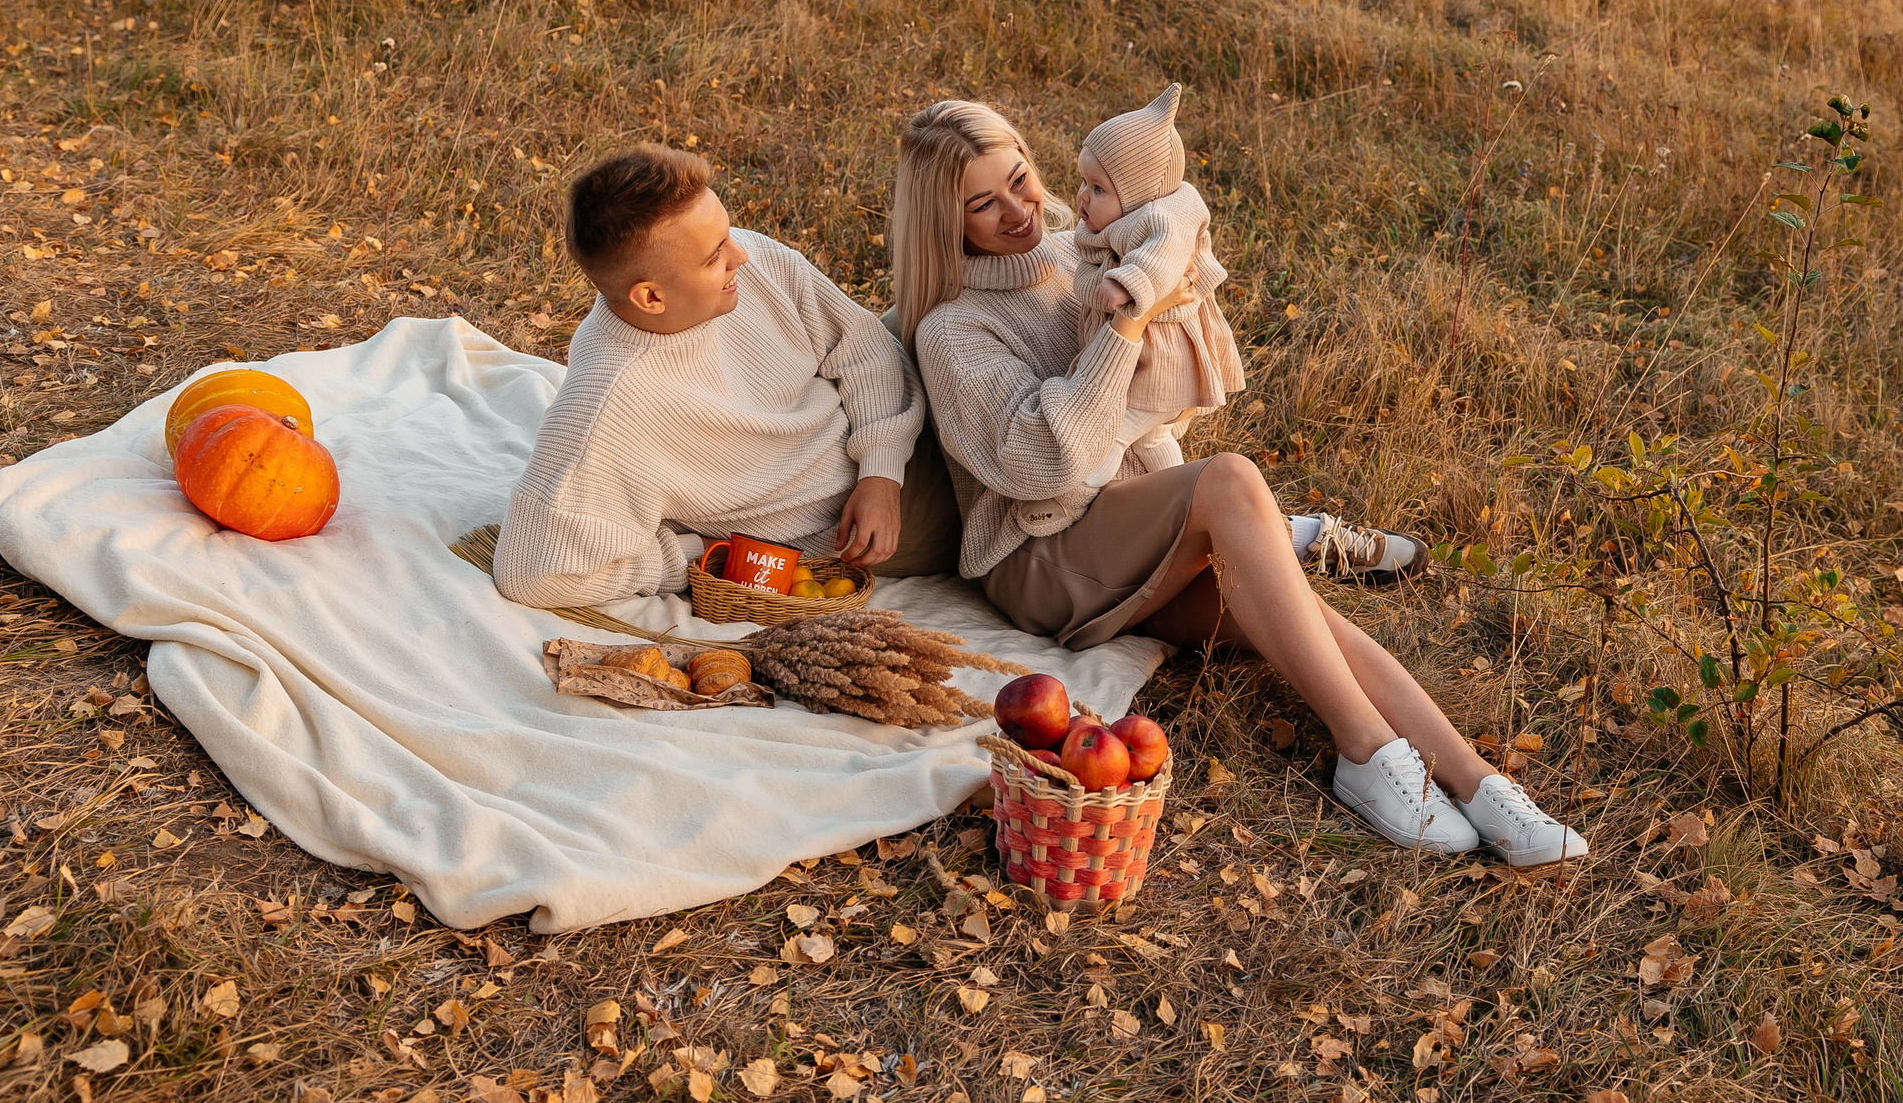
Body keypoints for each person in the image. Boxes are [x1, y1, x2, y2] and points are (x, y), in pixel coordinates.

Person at [894, 99, 1589, 866]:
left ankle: (1480, 782)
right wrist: (1126, 326)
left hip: (1117, 531)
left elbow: (1157, 398)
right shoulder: (953, 329)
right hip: (1038, 555)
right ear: (943, 221)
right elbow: (1043, 464)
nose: (1018, 210)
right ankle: (1364, 750)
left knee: (1306, 617)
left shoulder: (1076, 256)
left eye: (1020, 180)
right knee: (1229, 480)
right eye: (983, 204)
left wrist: (1166, 301)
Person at [493, 144, 938, 608]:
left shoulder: (738, 260)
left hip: (881, 452)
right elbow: (532, 574)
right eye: (715, 256)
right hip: (863, 522)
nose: (742, 255)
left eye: (727, 233)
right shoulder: (610, 406)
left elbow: (864, 345)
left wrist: (881, 473)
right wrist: (689, 554)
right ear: (650, 297)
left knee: (941, 307)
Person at [1068, 82, 1245, 487]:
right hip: (1143, 343)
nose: (1082, 196)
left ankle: (1088, 480)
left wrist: (1127, 284)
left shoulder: (1167, 217)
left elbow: (1163, 258)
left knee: (1122, 423)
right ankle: (1183, 493)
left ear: (1138, 194)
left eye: (1098, 190)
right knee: (1153, 439)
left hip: (1164, 353)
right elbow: (1086, 270)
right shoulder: (1117, 220)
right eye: (1083, 182)